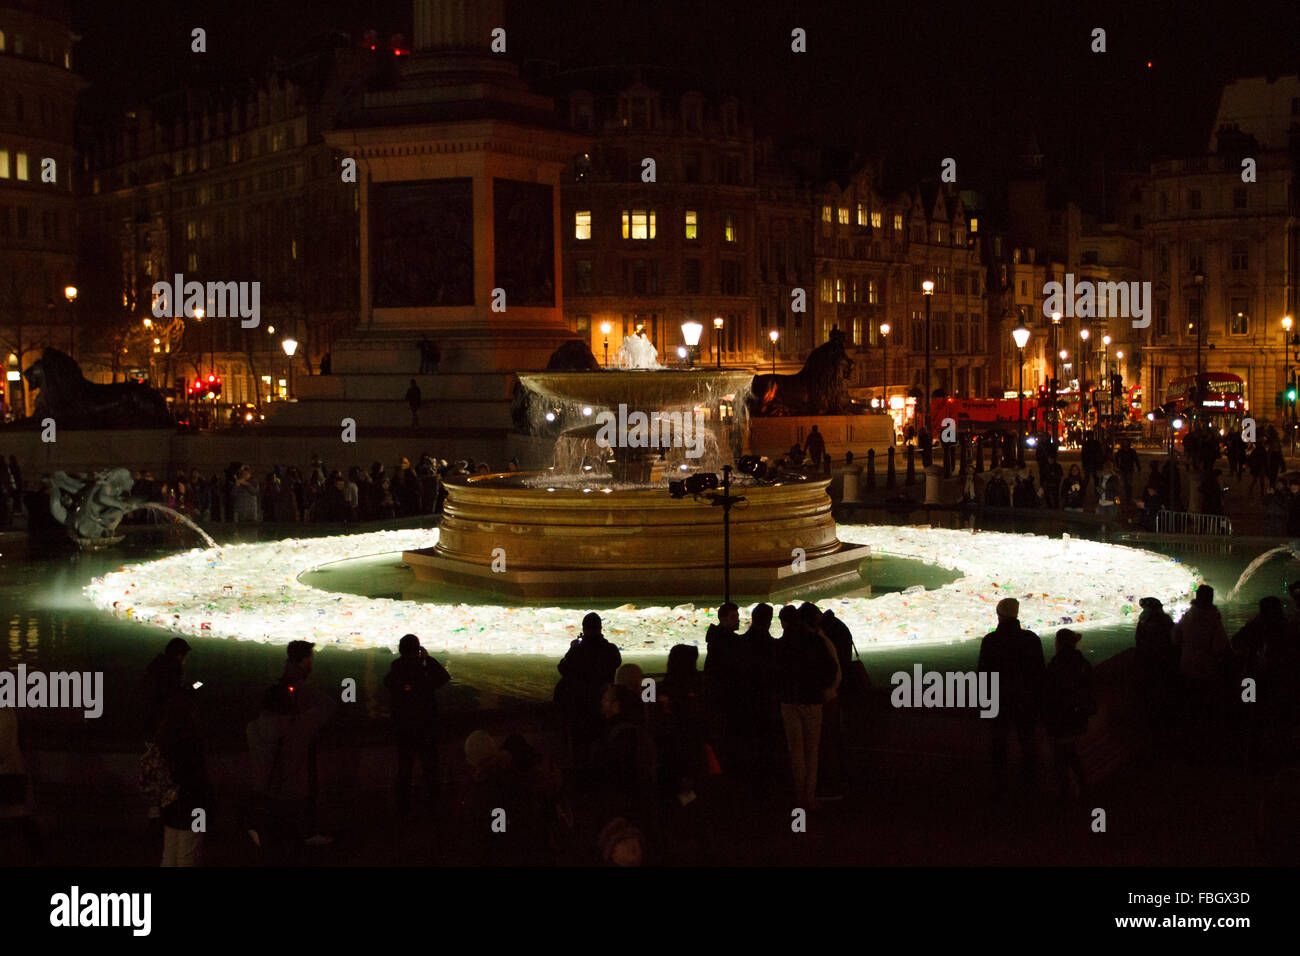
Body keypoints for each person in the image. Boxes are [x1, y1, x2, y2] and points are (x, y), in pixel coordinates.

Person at [246, 682, 333, 863]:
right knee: (292, 848)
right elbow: (328, 705)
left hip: (264, 796)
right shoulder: (299, 726)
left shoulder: (252, 728)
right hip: (293, 797)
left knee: (270, 849)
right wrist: (302, 684)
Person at [977, 597, 1045, 794]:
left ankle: (999, 784)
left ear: (998, 615)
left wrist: (983, 702)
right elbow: (1039, 672)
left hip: (999, 700)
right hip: (1026, 699)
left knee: (999, 743)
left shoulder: (991, 641)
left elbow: (983, 673)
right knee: (1028, 741)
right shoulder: (1031, 639)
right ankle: (1031, 783)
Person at [775, 604, 838, 809]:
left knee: (796, 752)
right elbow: (831, 668)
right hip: (812, 701)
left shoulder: (781, 646)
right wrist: (820, 688)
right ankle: (808, 798)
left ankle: (798, 796)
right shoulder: (815, 642)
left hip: (789, 702)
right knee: (812, 752)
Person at [384, 634, 452, 817]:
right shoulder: (423, 672)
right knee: (430, 767)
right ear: (418, 650)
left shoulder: (395, 670)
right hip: (425, 727)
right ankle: (432, 806)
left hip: (404, 728)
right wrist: (428, 659)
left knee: (404, 768)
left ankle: (403, 808)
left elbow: (389, 685)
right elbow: (444, 677)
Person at [555, 612, 622, 783]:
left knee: (581, 750)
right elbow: (616, 661)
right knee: (603, 745)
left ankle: (582, 784)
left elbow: (562, 668)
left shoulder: (578, 651)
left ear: (584, 630)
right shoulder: (610, 649)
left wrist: (573, 647)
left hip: (581, 707)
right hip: (603, 707)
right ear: (600, 628)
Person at [279, 640, 334, 845]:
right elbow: (327, 706)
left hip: (290, 742)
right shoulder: (299, 684)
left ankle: (295, 831)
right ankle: (306, 832)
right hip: (300, 743)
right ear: (304, 660)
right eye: (311, 657)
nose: (312, 661)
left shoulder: (286, 680)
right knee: (304, 786)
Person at [156, 688, 211, 866]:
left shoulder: (164, 736)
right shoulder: (192, 738)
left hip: (170, 803)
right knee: (191, 854)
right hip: (195, 804)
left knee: (170, 853)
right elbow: (198, 776)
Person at [1041, 628, 1095, 801]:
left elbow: (1051, 692)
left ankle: (1066, 791)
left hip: (1061, 717)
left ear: (1058, 643)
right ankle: (1081, 785)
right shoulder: (1082, 662)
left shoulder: (1058, 663)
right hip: (1077, 715)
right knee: (1071, 752)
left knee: (1061, 755)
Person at [1172, 584, 1229, 748]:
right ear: (1210, 599)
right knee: (1205, 706)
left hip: (1186, 665)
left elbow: (1174, 637)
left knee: (1190, 705)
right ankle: (1205, 741)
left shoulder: (1188, 616)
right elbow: (1220, 646)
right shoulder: (1213, 619)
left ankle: (1188, 740)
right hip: (1206, 668)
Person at [1134, 597, 1177, 748]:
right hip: (1163, 666)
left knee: (1153, 701)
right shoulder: (1165, 621)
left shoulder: (1144, 621)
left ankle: (1154, 735)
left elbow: (1139, 643)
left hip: (1150, 667)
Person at [702, 602, 741, 768]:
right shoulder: (729, 642)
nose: (737, 620)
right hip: (725, 697)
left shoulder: (716, 639)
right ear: (723, 619)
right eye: (734, 617)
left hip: (719, 696)